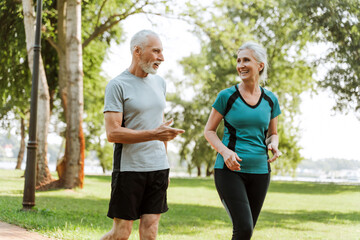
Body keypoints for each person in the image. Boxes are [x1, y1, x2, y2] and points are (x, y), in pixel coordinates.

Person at [101, 30, 184, 240]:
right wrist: (154, 134)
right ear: (137, 51)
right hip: (129, 168)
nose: (161, 58)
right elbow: (113, 133)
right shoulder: (117, 85)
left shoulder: (160, 83)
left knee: (151, 231)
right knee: (121, 233)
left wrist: (165, 164)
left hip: (158, 168)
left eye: (162, 52)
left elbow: (161, 128)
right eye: (156, 51)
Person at [204, 42, 281, 240]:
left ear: (260, 65)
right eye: (238, 61)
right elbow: (209, 131)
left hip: (260, 171)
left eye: (246, 60)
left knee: (246, 233)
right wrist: (225, 152)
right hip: (230, 170)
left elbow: (274, 133)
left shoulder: (271, 99)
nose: (241, 65)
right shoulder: (226, 96)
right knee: (244, 228)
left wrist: (274, 145)